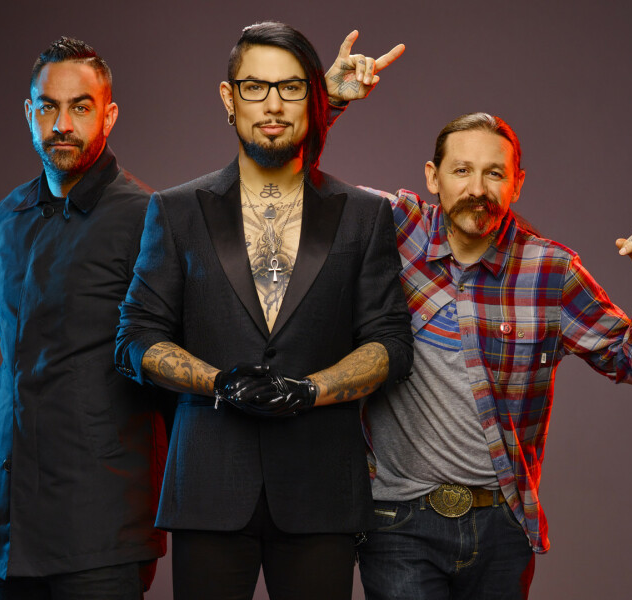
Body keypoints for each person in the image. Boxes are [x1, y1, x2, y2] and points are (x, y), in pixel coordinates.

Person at [324, 36, 632, 600]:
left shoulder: (551, 271)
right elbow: (295, 185)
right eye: (462, 170)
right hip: (397, 522)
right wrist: (328, 102)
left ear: (517, 183)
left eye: (495, 174)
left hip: (500, 528)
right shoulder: (394, 226)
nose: (477, 189)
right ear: (432, 177)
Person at [114, 21, 412, 600]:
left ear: (312, 99)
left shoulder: (363, 214)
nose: (273, 105)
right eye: (255, 87)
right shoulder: (176, 211)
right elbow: (135, 338)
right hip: (208, 488)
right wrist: (217, 381)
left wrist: (310, 391)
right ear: (229, 99)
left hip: (322, 490)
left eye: (291, 87)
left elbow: (391, 343)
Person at [0, 37, 169, 599]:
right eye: (48, 106)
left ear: (108, 116)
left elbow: (171, 374)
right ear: (29, 113)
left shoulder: (147, 217)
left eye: (80, 107)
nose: (62, 124)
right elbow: (15, 350)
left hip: (103, 531)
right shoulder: (6, 217)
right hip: (10, 531)